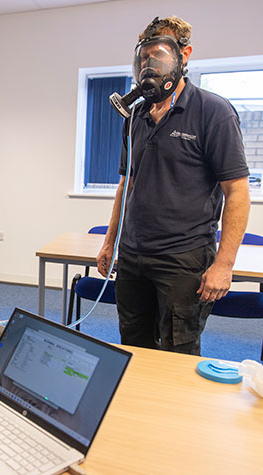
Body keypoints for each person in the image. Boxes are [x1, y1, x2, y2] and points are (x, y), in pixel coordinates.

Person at [97, 16, 250, 355]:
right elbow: (127, 185)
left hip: (183, 258)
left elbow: (237, 192)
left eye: (159, 58)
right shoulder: (136, 116)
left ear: (184, 56)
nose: (149, 66)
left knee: (177, 352)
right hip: (134, 255)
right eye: (144, 58)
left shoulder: (214, 112)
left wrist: (224, 264)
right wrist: (110, 243)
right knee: (133, 348)